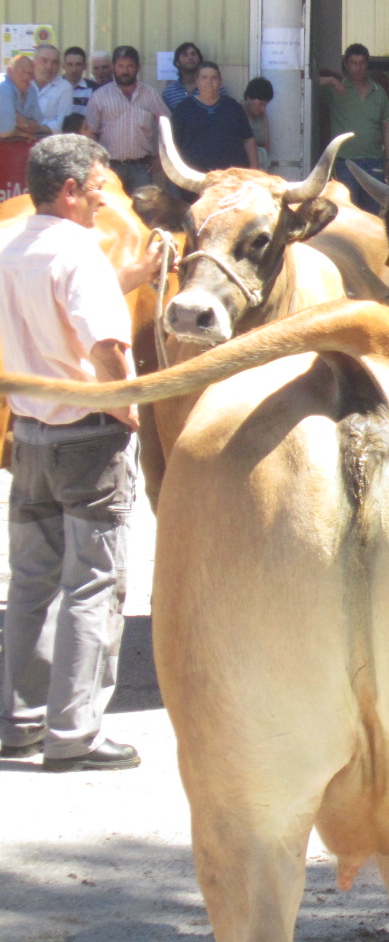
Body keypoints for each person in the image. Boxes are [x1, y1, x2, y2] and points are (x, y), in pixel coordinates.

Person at [0, 133, 165, 773]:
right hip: (87, 439)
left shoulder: (12, 245)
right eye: (98, 186)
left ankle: (19, 723)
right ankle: (76, 733)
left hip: (31, 438)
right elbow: (105, 348)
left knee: (32, 585)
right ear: (69, 191)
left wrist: (135, 276)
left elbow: (56, 299)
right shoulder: (82, 256)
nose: (105, 198)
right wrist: (126, 408)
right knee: (93, 584)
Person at [318, 43, 389, 212]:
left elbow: (387, 125)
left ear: (367, 64)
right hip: (345, 161)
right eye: (353, 62)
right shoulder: (336, 89)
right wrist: (331, 80)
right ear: (346, 64)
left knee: (373, 212)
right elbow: (305, 81)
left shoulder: (379, 91)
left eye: (361, 62)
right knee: (346, 211)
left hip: (374, 161)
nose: (358, 67)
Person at [82, 46, 169, 190]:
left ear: (137, 68)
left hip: (142, 168)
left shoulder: (150, 94)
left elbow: (168, 126)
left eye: (130, 66)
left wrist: (161, 158)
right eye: (120, 66)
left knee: (142, 211)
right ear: (113, 68)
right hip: (110, 168)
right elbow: (89, 133)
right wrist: (96, 164)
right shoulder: (99, 96)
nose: (125, 71)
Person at [171, 62, 256, 172]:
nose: (209, 82)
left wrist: (255, 172)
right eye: (204, 78)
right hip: (195, 179)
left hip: (232, 179)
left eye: (214, 78)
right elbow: (175, 145)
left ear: (220, 81)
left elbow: (248, 139)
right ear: (197, 81)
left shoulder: (234, 107)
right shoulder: (183, 108)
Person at [0, 53, 47, 141]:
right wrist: (21, 133)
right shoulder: (3, 86)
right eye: (23, 72)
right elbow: (4, 131)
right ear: (10, 71)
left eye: (30, 74)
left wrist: (21, 121)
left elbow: (37, 126)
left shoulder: (31, 90)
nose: (27, 77)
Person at [161, 41, 222, 109]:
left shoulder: (216, 88)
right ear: (177, 62)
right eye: (185, 55)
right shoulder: (168, 93)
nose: (190, 57)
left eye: (193, 54)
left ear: (199, 60)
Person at [31, 45, 75, 133]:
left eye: (54, 62)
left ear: (59, 66)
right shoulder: (24, 82)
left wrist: (33, 129)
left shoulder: (64, 87)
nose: (49, 67)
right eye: (44, 61)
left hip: (49, 140)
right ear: (33, 62)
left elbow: (63, 122)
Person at [242, 77, 274, 167]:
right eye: (260, 104)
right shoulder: (237, 112)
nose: (263, 109)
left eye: (266, 105)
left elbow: (266, 145)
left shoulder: (262, 115)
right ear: (249, 98)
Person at [63, 47, 94, 116]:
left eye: (78, 65)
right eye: (70, 64)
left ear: (85, 66)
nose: (74, 69)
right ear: (63, 66)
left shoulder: (95, 89)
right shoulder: (53, 87)